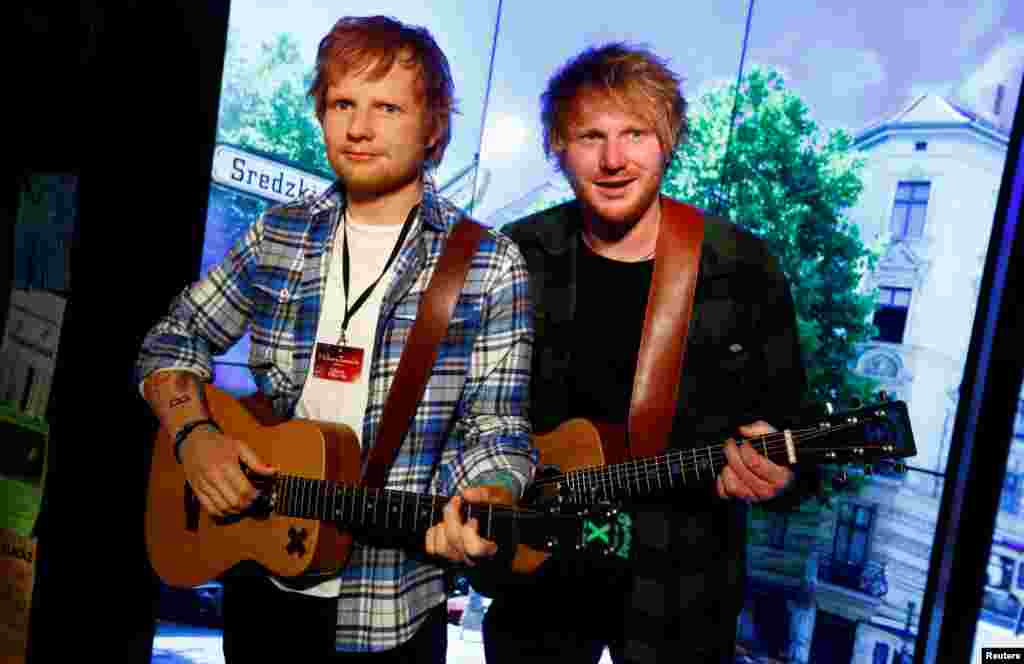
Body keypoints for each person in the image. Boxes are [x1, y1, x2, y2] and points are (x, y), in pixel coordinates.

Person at [136, 15, 535, 663]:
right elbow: (169, 343)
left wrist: (490, 492)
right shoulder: (280, 235)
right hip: (261, 573)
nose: (358, 127)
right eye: (342, 103)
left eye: (388, 107)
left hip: (392, 602)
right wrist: (196, 436)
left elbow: (497, 426)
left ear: (433, 126)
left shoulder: (488, 264)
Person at [450, 43, 819, 664]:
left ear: (667, 142)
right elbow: (464, 407)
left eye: (636, 134)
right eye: (590, 136)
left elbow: (794, 424)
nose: (614, 159)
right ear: (559, 149)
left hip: (682, 594)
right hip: (537, 587)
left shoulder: (743, 267)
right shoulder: (515, 257)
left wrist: (783, 469)